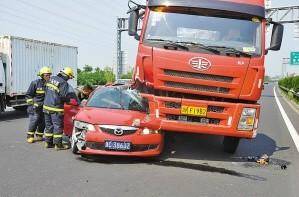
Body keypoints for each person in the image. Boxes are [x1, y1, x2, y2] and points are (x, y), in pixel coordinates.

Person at [43, 67, 74, 150]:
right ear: (66, 75)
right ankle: (58, 145)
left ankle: (48, 143)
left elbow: (46, 91)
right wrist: (69, 99)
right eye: (69, 77)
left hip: (46, 106)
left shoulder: (51, 78)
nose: (69, 79)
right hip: (56, 108)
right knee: (58, 126)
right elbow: (62, 97)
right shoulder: (63, 83)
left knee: (49, 126)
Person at [25, 66, 52, 143]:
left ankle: (39, 135)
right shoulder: (35, 83)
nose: (48, 76)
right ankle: (30, 136)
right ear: (42, 75)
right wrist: (32, 104)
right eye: (46, 75)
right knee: (34, 120)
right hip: (35, 107)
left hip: (45, 107)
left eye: (49, 75)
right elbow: (28, 95)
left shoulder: (50, 84)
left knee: (43, 121)